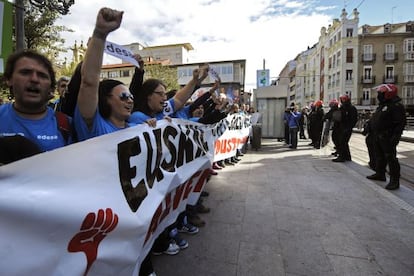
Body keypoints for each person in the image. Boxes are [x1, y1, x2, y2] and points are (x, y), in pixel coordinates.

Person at [0, 50, 73, 152]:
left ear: (51, 88)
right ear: (9, 79)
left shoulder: (66, 125)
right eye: (25, 72)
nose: (34, 79)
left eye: (42, 75)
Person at [366, 84, 406, 190]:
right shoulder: (383, 105)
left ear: (388, 94)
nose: (379, 95)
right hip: (378, 135)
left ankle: (394, 180)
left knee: (391, 158)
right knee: (379, 156)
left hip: (387, 136)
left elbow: (400, 124)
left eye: (381, 93)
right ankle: (380, 173)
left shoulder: (396, 106)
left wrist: (395, 137)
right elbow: (376, 119)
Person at [332, 94, 357, 162]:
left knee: (342, 142)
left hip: (346, 128)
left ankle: (342, 157)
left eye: (343, 99)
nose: (342, 101)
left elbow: (354, 119)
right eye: (341, 99)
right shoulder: (342, 108)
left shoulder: (352, 108)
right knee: (342, 143)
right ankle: (347, 156)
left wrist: (349, 127)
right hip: (340, 128)